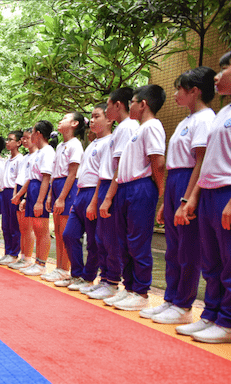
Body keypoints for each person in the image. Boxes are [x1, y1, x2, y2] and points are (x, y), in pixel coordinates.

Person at [175, 50, 231, 343]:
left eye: (225, 69)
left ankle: (230, 322)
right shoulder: (224, 112)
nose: (217, 76)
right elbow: (209, 160)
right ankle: (211, 314)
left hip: (229, 191)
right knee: (212, 262)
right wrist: (194, 197)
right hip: (210, 191)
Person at [148, 67, 217, 324]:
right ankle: (171, 298)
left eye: (180, 89)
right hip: (175, 180)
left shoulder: (205, 119)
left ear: (194, 91)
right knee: (173, 249)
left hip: (188, 179)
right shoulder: (185, 121)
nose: (175, 94)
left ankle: (184, 305)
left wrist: (187, 199)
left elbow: (200, 162)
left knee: (188, 249)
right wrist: (165, 200)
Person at [100, 85, 167, 311]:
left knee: (138, 242)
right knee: (124, 242)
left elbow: (158, 163)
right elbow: (122, 167)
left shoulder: (152, 126)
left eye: (133, 101)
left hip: (140, 187)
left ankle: (141, 291)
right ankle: (129, 288)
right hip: (126, 188)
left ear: (143, 104)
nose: (130, 106)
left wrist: (162, 195)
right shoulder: (138, 129)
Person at [87, 87, 139, 301]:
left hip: (115, 185)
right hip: (108, 184)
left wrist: (109, 196)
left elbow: (121, 165)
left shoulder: (128, 127)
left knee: (113, 239)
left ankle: (113, 282)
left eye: (107, 105)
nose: (105, 109)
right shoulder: (120, 129)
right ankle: (107, 279)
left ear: (118, 105)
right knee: (103, 238)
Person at [61, 104, 112, 291]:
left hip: (94, 193)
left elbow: (103, 174)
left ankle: (89, 277)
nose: (92, 120)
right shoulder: (92, 143)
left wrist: (94, 201)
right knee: (69, 234)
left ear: (109, 119)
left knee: (93, 240)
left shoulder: (109, 142)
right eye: (91, 116)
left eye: (96, 116)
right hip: (81, 192)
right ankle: (77, 273)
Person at [46, 112, 86, 283]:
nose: (60, 120)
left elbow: (72, 173)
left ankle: (65, 269)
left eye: (64, 119)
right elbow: (54, 173)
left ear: (75, 124)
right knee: (57, 227)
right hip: (56, 185)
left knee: (64, 231)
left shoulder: (75, 145)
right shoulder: (61, 146)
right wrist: (50, 195)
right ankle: (59, 267)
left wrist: (61, 198)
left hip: (67, 187)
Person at [21, 120, 55, 276]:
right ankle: (37, 261)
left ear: (38, 134)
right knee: (36, 227)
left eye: (32, 132)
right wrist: (26, 197)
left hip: (40, 189)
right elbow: (31, 178)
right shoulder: (39, 153)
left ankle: (41, 263)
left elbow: (46, 178)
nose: (30, 135)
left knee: (42, 229)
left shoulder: (48, 151)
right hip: (33, 189)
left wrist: (40, 201)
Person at [9, 130, 36, 269]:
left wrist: (23, 195)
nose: (25, 141)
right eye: (23, 138)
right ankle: (23, 256)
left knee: (28, 227)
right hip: (19, 190)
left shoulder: (37, 155)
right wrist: (15, 193)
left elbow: (30, 178)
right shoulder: (25, 157)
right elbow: (19, 177)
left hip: (27, 191)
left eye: (28, 138)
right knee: (22, 227)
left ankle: (28, 258)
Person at [0, 131, 23, 264]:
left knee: (14, 225)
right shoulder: (8, 161)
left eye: (11, 139)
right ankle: (7, 251)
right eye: (7, 139)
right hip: (4, 192)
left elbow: (19, 179)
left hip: (13, 192)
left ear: (18, 143)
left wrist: (17, 195)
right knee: (5, 224)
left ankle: (14, 253)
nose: (7, 142)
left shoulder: (20, 159)